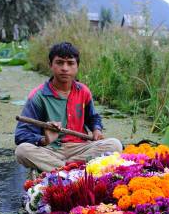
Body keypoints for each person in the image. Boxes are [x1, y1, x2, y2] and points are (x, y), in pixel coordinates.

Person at [14, 42, 122, 172]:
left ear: (77, 67)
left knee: (115, 145)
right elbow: (21, 135)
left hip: (81, 148)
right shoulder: (38, 96)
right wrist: (44, 139)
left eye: (70, 63)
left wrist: (96, 129)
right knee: (21, 151)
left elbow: (93, 118)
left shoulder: (83, 91)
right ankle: (73, 170)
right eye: (59, 63)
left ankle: (61, 169)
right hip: (51, 150)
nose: (65, 68)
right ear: (50, 65)